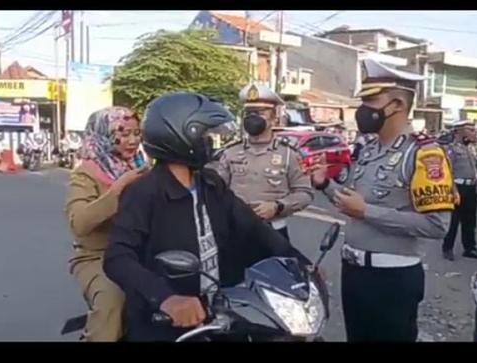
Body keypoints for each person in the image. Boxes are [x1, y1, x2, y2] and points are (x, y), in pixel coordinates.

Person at [103, 92, 313, 342]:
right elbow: (118, 257)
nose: (210, 143)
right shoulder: (143, 193)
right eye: (204, 136)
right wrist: (166, 298)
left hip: (221, 314)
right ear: (180, 136)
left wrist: (302, 264)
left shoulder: (210, 184)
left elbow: (253, 227)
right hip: (165, 324)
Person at [311, 59, 454, 342]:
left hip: (392, 281)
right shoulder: (370, 149)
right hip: (354, 272)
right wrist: (325, 184)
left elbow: (437, 226)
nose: (362, 110)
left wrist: (367, 212)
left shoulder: (425, 153)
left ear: (398, 104)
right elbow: (352, 202)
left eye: (371, 100)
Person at [65, 107, 148, 342]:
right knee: (113, 299)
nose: (132, 141)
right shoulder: (86, 174)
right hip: (98, 257)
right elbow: (79, 223)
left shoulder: (142, 167)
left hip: (140, 252)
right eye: (122, 134)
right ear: (103, 136)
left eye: (136, 133)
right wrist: (117, 190)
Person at [216, 83, 314, 241]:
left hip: (273, 232)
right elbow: (217, 192)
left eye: (260, 112)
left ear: (274, 117)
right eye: (249, 112)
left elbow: (305, 194)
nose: (253, 117)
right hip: (236, 231)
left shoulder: (289, 154)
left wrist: (278, 206)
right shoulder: (230, 152)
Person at [442, 120, 477, 260]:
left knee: (470, 220)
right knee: (453, 220)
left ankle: (469, 248)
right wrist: (453, 190)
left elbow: (473, 168)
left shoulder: (469, 148)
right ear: (459, 132)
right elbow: (448, 172)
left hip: (470, 187)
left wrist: (476, 184)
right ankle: (447, 248)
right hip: (457, 188)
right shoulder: (451, 150)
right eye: (470, 130)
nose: (474, 132)